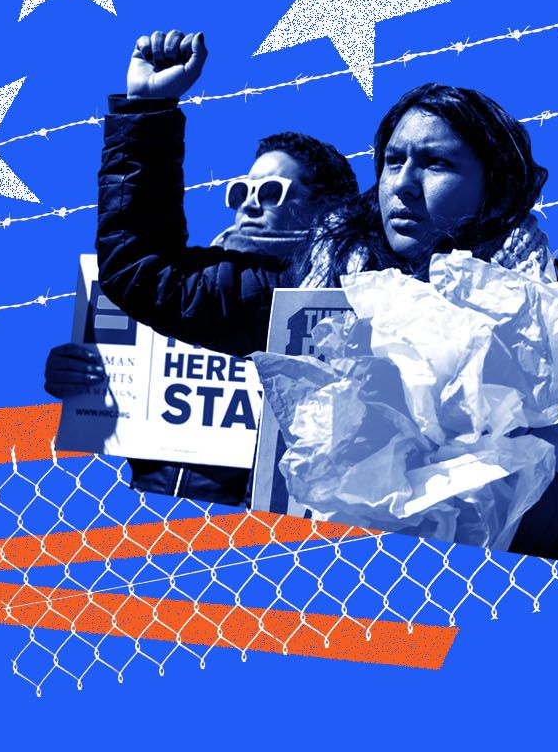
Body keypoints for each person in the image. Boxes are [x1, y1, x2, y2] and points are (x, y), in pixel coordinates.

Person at [95, 29, 558, 563]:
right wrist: (146, 111)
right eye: (393, 160)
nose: (403, 183)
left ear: (494, 186)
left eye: (436, 163)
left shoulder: (543, 309)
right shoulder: (313, 287)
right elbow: (143, 274)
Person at [44, 126, 358, 506]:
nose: (249, 205)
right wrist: (89, 378)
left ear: (324, 206)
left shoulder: (330, 300)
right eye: (241, 192)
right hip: (151, 508)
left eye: (271, 191)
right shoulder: (191, 281)